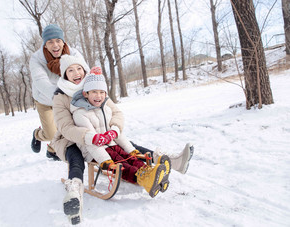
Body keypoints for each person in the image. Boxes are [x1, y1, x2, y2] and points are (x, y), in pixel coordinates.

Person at [50, 55, 193, 225]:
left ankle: (173, 162)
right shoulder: (60, 96)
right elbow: (66, 128)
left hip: (104, 135)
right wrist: (93, 137)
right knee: (76, 158)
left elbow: (116, 113)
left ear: (84, 69)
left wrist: (114, 131)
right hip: (71, 139)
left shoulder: (95, 85)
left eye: (79, 68)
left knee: (128, 146)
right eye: (70, 70)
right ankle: (75, 191)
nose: (76, 73)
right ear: (65, 74)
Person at [70, 66, 169, 197]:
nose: (98, 96)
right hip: (94, 151)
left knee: (129, 157)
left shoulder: (106, 109)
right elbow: (90, 142)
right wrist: (105, 160)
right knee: (120, 164)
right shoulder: (80, 114)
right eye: (94, 91)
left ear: (106, 94)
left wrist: (131, 149)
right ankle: (142, 178)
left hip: (111, 144)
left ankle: (150, 174)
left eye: (102, 92)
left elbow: (117, 134)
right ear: (85, 94)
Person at [29, 24, 89, 161]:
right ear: (45, 45)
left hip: (68, 97)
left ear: (63, 42)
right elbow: (40, 80)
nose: (55, 45)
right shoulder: (37, 59)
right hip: (45, 99)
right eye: (50, 42)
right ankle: (38, 134)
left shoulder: (73, 54)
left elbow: (85, 71)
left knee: (68, 129)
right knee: (51, 134)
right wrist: (57, 95)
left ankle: (52, 150)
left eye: (58, 41)